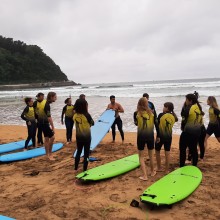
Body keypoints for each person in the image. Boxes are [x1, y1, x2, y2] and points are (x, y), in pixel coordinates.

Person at [133, 97, 159, 180]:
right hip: (150, 136)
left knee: (141, 156)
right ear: (146, 104)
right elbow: (156, 124)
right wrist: (158, 135)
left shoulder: (136, 113)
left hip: (141, 136)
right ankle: (152, 172)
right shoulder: (152, 113)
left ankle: (144, 176)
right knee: (151, 155)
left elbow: (136, 124)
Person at [179, 94, 203, 167]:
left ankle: (182, 165)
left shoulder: (189, 108)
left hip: (188, 132)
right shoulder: (198, 106)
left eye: (186, 99)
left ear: (190, 100)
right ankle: (194, 165)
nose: (185, 101)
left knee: (182, 149)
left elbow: (183, 117)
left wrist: (182, 128)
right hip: (197, 131)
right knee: (194, 149)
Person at [155, 102, 178, 173]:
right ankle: (166, 170)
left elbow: (157, 127)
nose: (163, 108)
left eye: (164, 107)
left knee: (157, 150)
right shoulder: (173, 117)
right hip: (169, 136)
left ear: (167, 108)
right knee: (167, 152)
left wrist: (158, 136)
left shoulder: (161, 115)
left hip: (161, 136)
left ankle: (159, 167)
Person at [73, 99, 94, 172]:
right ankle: (84, 169)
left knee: (78, 152)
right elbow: (92, 123)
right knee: (86, 154)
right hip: (87, 137)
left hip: (78, 137)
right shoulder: (87, 115)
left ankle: (75, 168)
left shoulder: (75, 115)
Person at [41, 92, 57, 160]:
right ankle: (50, 154)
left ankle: (47, 155)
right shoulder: (47, 105)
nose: (56, 98)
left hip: (41, 123)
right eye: (55, 97)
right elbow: (49, 117)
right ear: (51, 97)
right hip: (45, 123)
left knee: (47, 139)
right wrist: (53, 127)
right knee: (52, 137)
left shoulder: (44, 102)